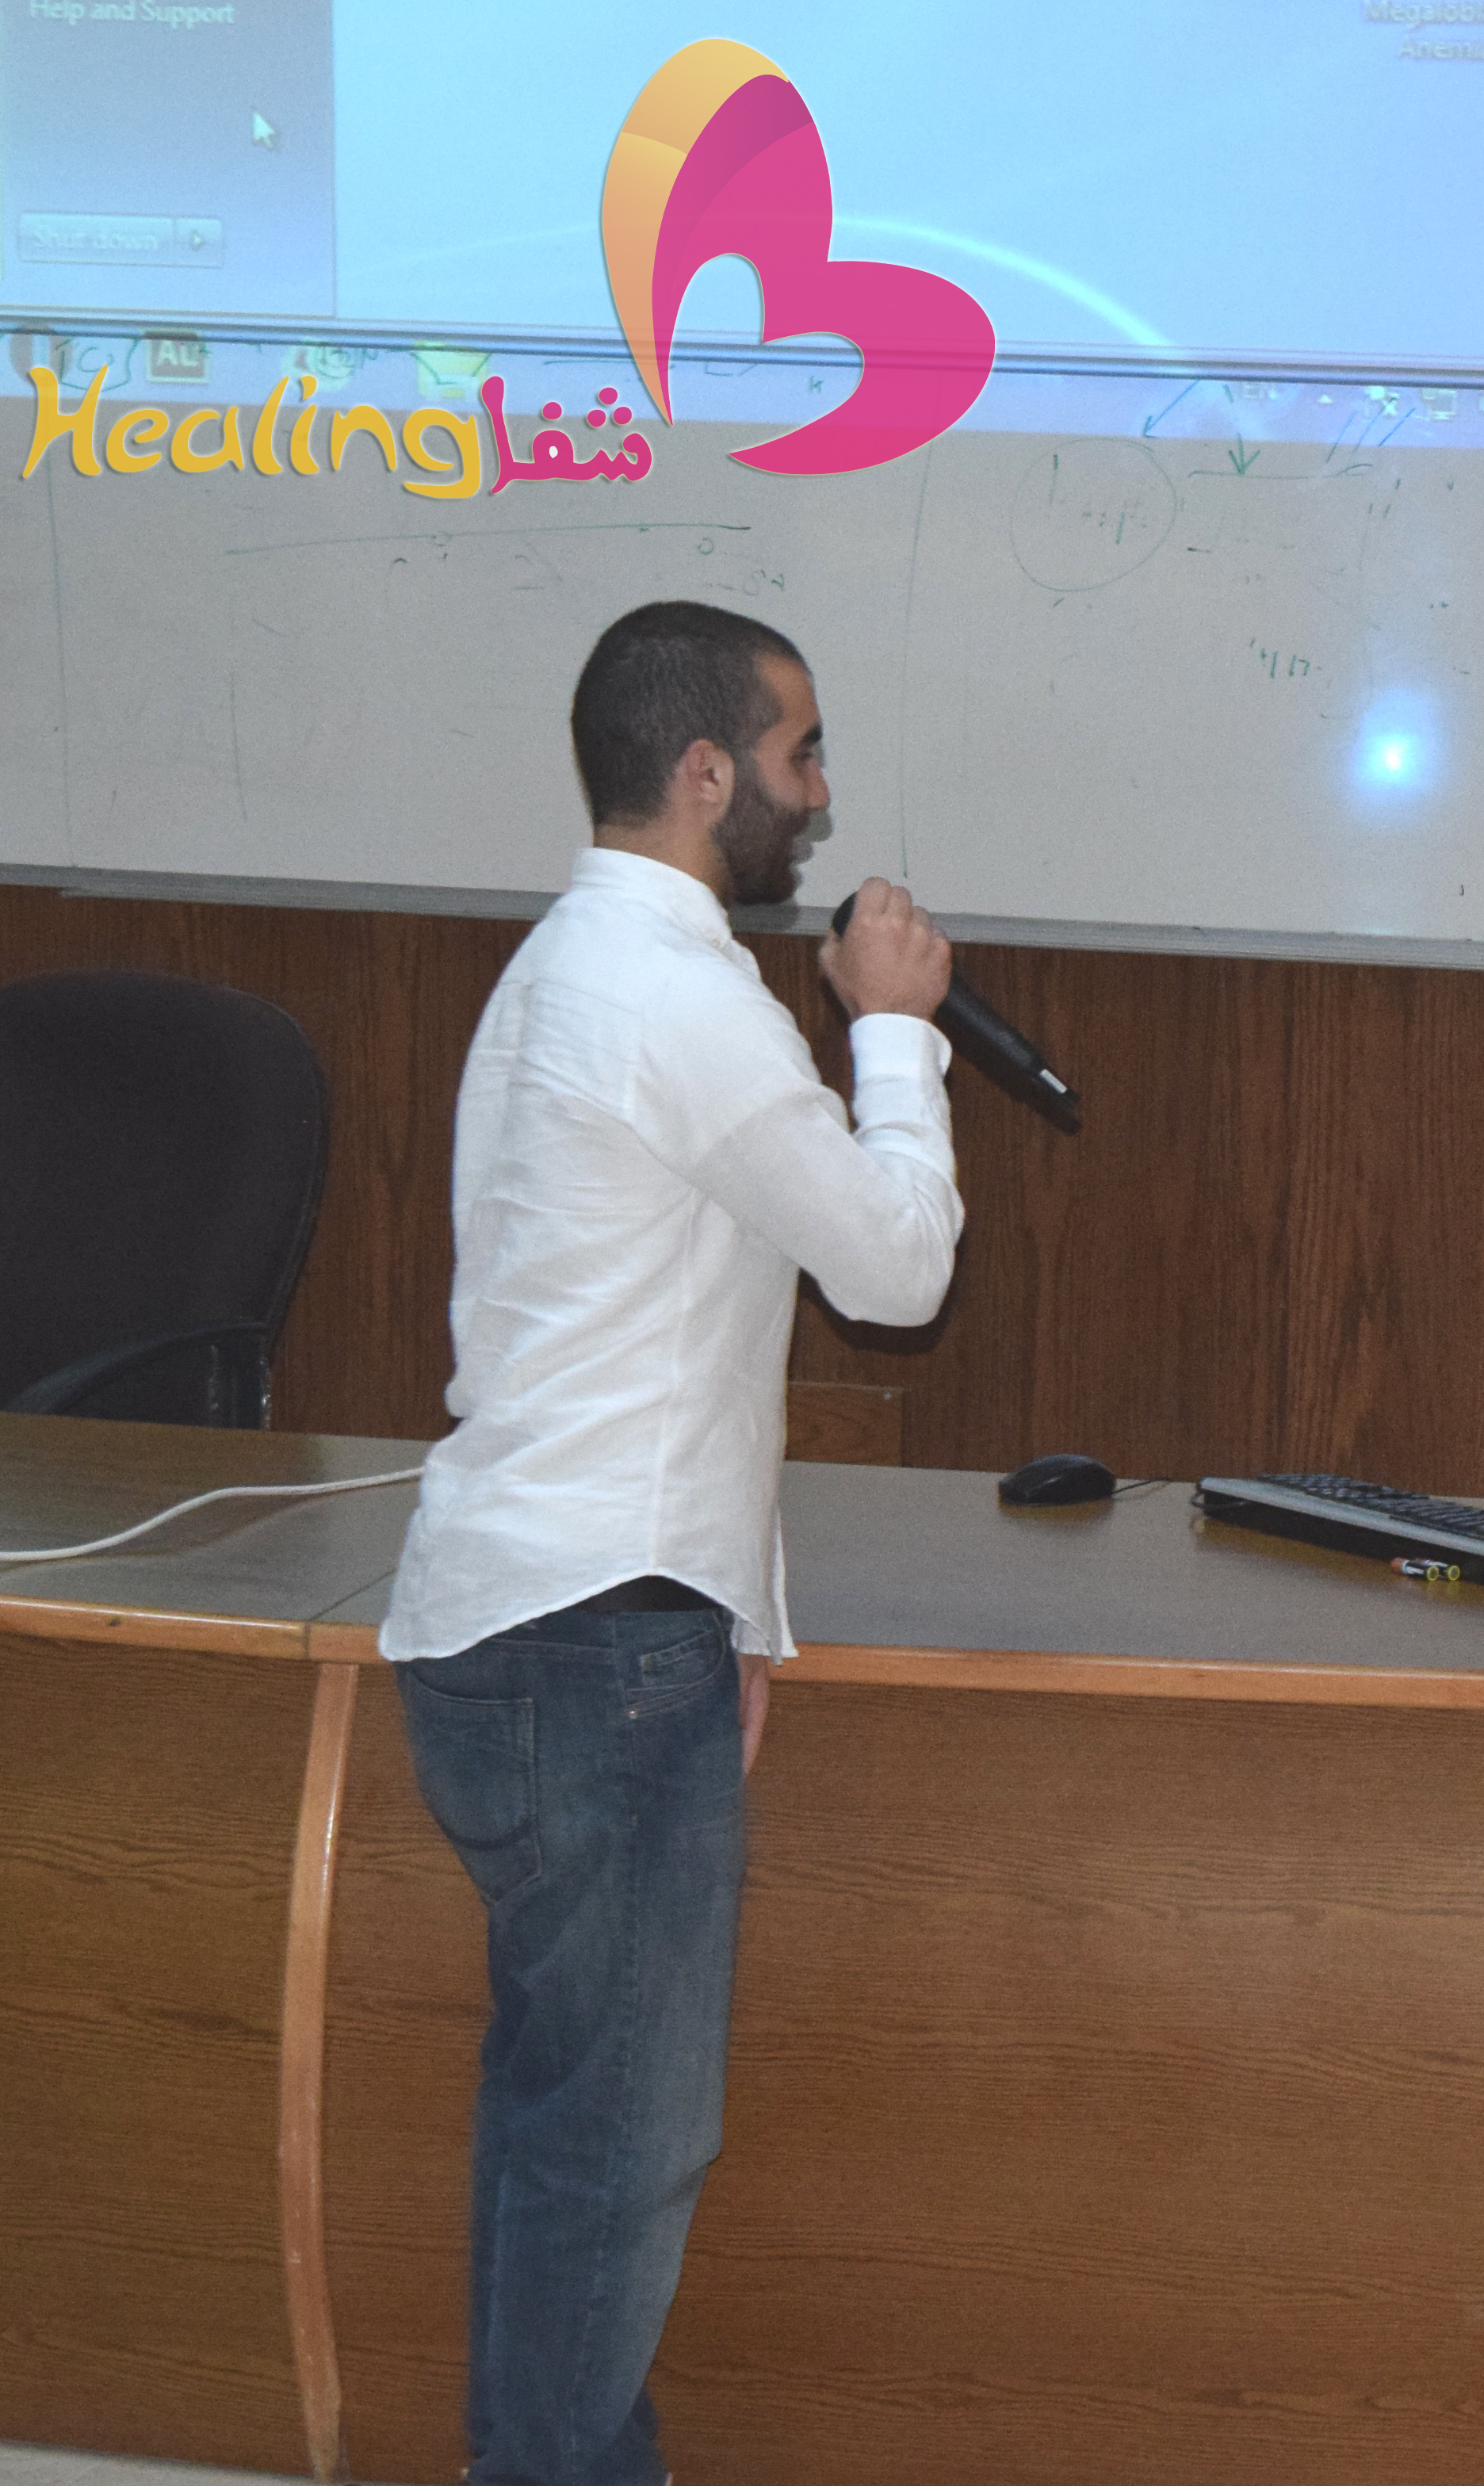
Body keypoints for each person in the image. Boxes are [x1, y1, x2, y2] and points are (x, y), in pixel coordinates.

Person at [377, 599, 966, 2486]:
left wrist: (745, 1615)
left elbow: (664, 1339)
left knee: (566, 2117)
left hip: (533, 1620)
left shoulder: (565, 969)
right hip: (592, 1644)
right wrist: (895, 1036)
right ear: (707, 771)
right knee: (617, 2145)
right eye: (800, 753)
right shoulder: (678, 998)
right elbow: (893, 1270)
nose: (820, 795)